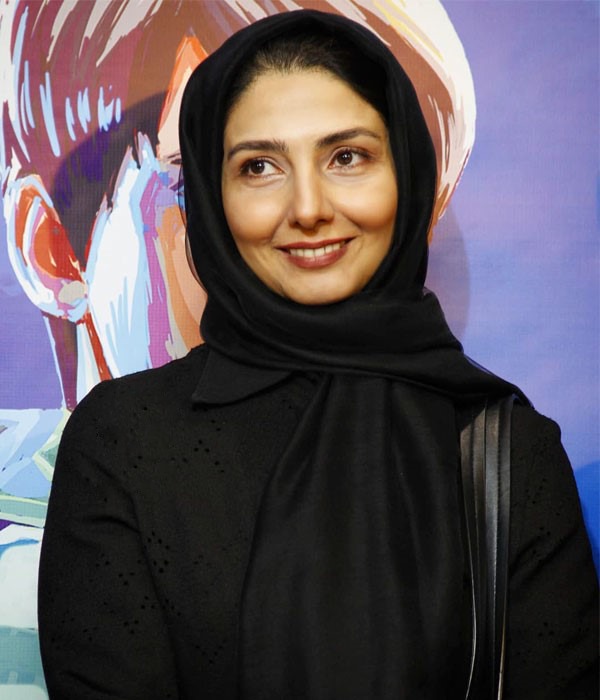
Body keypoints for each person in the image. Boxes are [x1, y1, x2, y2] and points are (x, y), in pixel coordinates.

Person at [38, 10, 598, 699]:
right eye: (259, 166)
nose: (308, 208)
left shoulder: (506, 452)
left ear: (408, 176)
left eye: (347, 157)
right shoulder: (122, 444)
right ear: (212, 198)